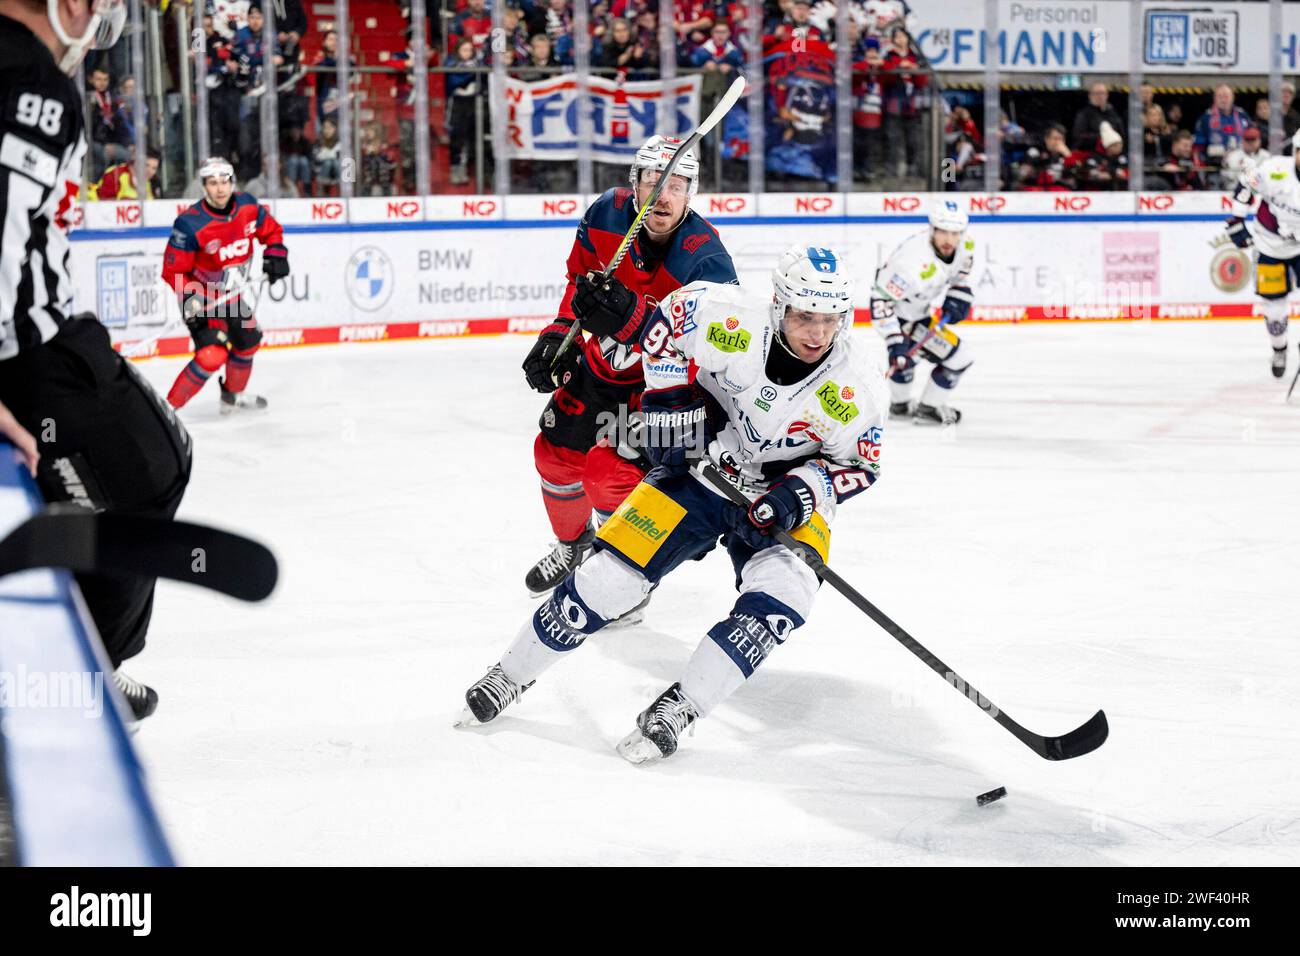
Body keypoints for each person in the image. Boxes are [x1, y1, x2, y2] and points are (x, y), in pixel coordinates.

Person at [460, 245, 887, 763]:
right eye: (804, 316)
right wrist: (667, 404)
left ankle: (682, 706)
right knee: (605, 580)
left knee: (784, 600)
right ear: (778, 305)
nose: (817, 333)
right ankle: (509, 675)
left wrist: (801, 492)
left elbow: (859, 467)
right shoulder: (729, 319)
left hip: (780, 496)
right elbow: (663, 330)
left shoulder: (858, 382)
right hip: (701, 470)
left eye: (830, 320)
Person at [0, 0, 190, 720]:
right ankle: (72, 679)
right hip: (27, 347)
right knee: (147, 467)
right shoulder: (30, 79)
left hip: (40, 334)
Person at [519, 135, 737, 598]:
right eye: (654, 181)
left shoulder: (707, 261)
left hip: (661, 389)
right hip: (600, 366)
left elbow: (715, 352)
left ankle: (619, 568)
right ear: (634, 184)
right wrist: (559, 334)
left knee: (608, 476)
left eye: (677, 184)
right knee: (553, 456)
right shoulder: (604, 214)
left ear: (692, 193)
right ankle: (575, 545)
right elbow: (580, 283)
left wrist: (636, 317)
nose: (664, 194)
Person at [161, 157, 289, 413]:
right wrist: (191, 296)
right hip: (200, 298)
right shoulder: (190, 224)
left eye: (224, 181)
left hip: (231, 296)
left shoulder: (248, 207)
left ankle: (232, 395)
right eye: (212, 183)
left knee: (249, 340)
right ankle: (167, 410)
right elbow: (172, 271)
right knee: (212, 355)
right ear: (204, 186)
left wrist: (276, 254)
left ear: (232, 182)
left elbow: (271, 231)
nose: (219, 188)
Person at [871, 200, 976, 425]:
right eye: (943, 232)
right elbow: (880, 299)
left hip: (920, 313)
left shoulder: (965, 245)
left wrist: (960, 293)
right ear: (932, 230)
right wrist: (894, 339)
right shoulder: (910, 263)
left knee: (906, 361)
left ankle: (899, 406)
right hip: (900, 318)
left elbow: (961, 274)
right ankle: (928, 409)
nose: (949, 240)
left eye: (955, 233)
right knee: (960, 357)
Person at [1223, 129, 1300, 378]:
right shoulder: (1274, 170)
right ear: (1295, 152)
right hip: (1269, 244)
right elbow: (1246, 184)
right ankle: (1280, 349)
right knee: (1274, 309)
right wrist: (1236, 220)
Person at [87, 144, 159, 200]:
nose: (150, 171)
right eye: (146, 165)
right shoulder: (115, 175)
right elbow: (106, 207)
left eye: (154, 168)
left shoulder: (152, 182)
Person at [1070, 82, 1123, 153]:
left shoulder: (1113, 113)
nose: (1100, 96)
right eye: (1097, 93)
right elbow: (1078, 137)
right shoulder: (1084, 114)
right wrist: (1102, 137)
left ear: (1107, 95)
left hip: (1114, 154)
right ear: (1090, 95)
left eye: (1102, 93)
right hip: (1091, 154)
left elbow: (1121, 133)